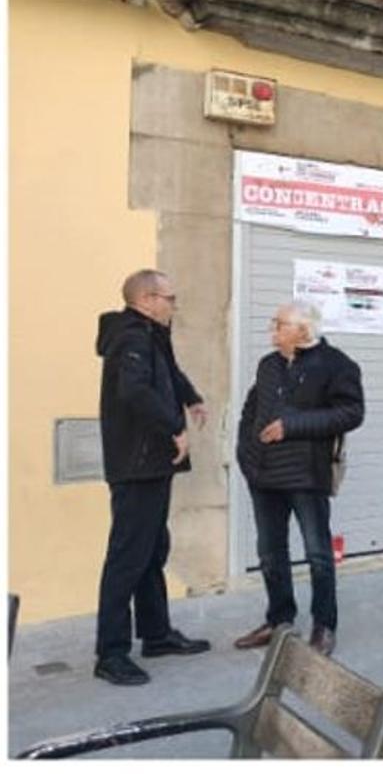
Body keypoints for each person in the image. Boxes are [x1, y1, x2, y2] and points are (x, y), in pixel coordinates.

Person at [94, 269, 211, 686]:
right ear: (146, 300)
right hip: (136, 464)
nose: (174, 305)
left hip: (151, 464)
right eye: (169, 298)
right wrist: (174, 427)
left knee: (153, 548)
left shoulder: (151, 334)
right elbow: (135, 391)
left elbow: (168, 371)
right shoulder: (131, 337)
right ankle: (111, 653)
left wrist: (190, 397)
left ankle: (156, 634)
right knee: (127, 556)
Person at [233, 303, 364, 657]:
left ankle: (324, 626)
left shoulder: (337, 365)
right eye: (273, 323)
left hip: (306, 475)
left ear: (303, 330)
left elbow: (352, 413)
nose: (272, 330)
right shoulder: (268, 364)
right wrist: (246, 453)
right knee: (270, 553)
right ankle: (279, 621)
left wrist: (292, 426)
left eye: (279, 324)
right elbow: (251, 410)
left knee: (318, 554)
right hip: (263, 475)